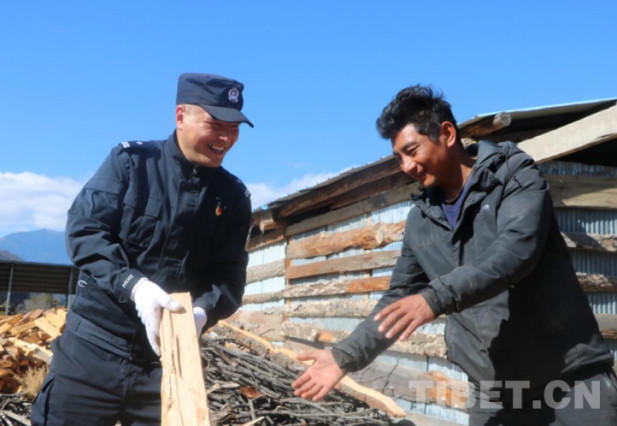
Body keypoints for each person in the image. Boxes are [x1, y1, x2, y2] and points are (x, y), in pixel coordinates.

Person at [292, 85, 617, 424]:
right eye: (398, 158)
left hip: (570, 380)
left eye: (411, 150)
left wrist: (434, 298)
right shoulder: (421, 220)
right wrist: (345, 356)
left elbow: (515, 251)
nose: (406, 166)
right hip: (496, 391)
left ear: (446, 134)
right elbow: (398, 298)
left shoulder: (512, 176)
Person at [31, 73, 253, 425]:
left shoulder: (232, 197)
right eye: (215, 124)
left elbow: (229, 277)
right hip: (92, 351)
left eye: (235, 128)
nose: (226, 137)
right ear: (180, 116)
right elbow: (85, 232)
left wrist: (203, 312)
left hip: (167, 363)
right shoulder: (131, 163)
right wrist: (134, 286)